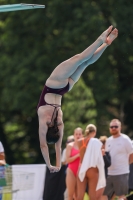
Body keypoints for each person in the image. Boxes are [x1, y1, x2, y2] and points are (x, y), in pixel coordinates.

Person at [37, 26, 118, 173]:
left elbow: (57, 144)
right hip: (54, 84)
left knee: (86, 63)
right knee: (80, 58)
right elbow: (44, 145)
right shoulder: (44, 120)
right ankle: (100, 39)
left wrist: (56, 165)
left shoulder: (59, 124)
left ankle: (106, 44)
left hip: (66, 88)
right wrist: (50, 164)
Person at [103, 119, 133, 200]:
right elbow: (107, 157)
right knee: (105, 196)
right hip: (110, 173)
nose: (113, 128)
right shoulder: (108, 140)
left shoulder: (125, 139)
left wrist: (127, 163)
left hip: (122, 173)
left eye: (116, 126)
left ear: (120, 127)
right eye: (111, 126)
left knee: (121, 197)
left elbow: (132, 153)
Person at [77, 124, 106, 200]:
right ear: (94, 132)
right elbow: (97, 157)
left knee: (79, 196)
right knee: (92, 195)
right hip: (92, 169)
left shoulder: (80, 141)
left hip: (81, 168)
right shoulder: (96, 142)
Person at [66, 127, 83, 200]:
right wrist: (78, 155)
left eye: (79, 134)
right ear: (74, 135)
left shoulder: (84, 146)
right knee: (70, 196)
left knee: (78, 197)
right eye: (76, 134)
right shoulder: (70, 146)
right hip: (71, 171)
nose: (78, 136)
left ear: (82, 135)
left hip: (81, 172)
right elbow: (68, 160)